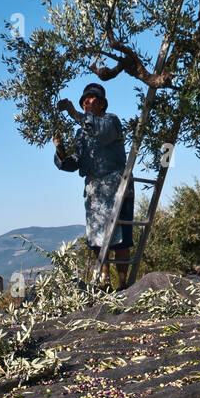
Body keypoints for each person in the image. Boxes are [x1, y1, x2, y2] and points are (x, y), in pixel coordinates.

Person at [53, 81, 134, 289]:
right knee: (97, 239)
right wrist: (61, 150)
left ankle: (124, 285)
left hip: (118, 186)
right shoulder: (81, 134)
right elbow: (74, 162)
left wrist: (73, 113)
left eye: (92, 101)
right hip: (95, 191)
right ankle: (104, 281)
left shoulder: (111, 121)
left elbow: (103, 133)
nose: (87, 104)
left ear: (101, 105)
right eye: (84, 102)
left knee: (121, 238)